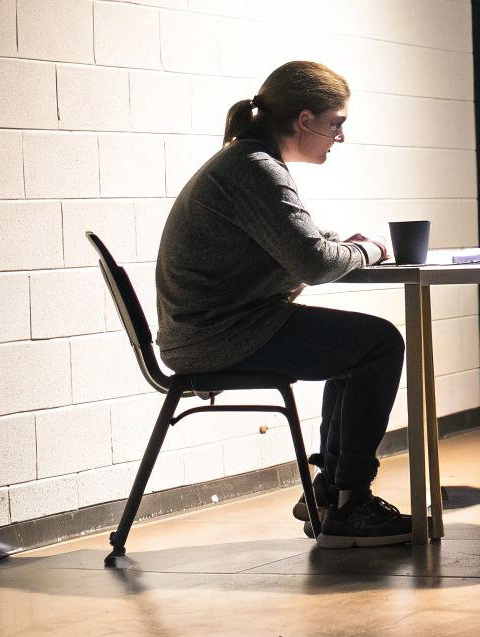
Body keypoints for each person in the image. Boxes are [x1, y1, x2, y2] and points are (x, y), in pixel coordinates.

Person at [155, 60, 411, 547]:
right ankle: (348, 499)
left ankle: (330, 492)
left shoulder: (247, 161)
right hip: (218, 337)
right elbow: (314, 264)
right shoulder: (255, 168)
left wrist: (338, 245)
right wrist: (372, 249)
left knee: (360, 348)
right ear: (305, 120)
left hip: (218, 327)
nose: (339, 137)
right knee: (378, 344)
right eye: (336, 124)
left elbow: (292, 243)